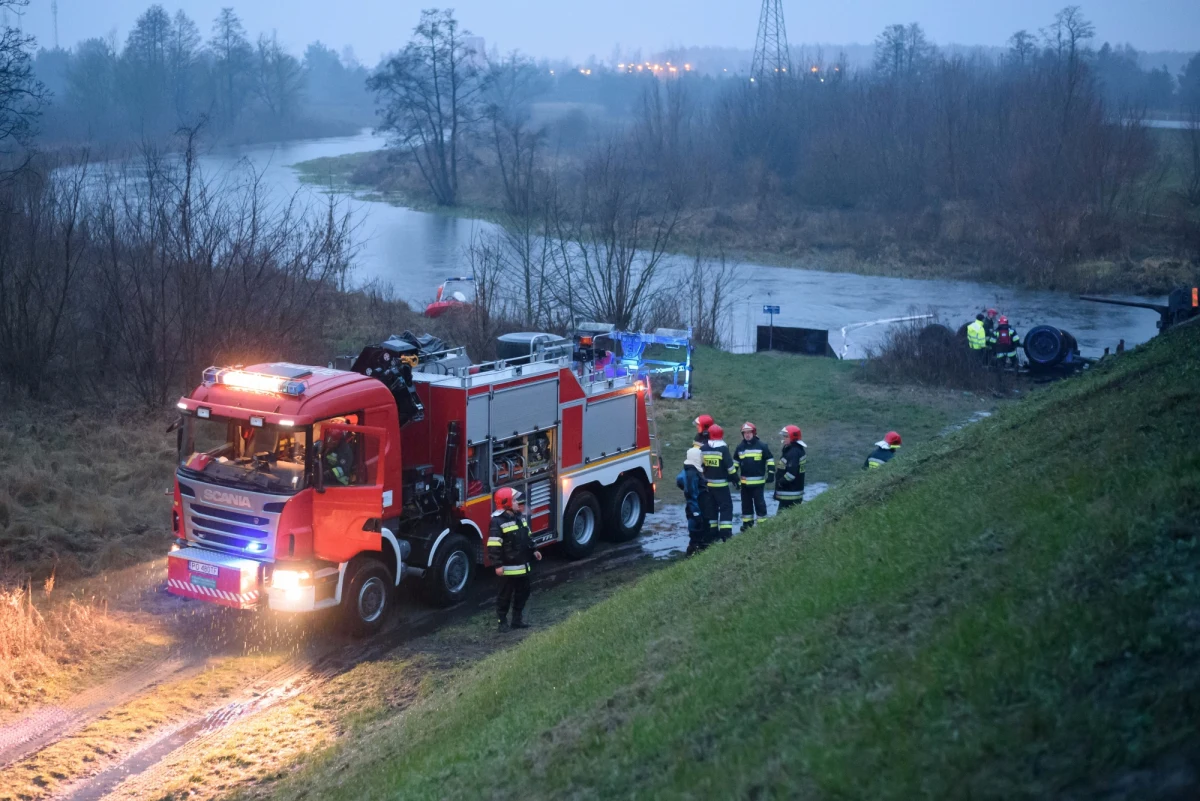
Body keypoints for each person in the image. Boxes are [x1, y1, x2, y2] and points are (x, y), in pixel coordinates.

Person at [487, 487, 542, 632]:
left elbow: (527, 535)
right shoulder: (497, 521)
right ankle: (502, 622)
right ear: (506, 503)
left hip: (522, 564)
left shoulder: (519, 517)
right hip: (508, 568)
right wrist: (497, 565)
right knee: (504, 596)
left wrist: (534, 549)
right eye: (515, 500)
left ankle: (517, 620)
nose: (518, 503)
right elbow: (494, 545)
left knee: (523, 592)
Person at [700, 423, 738, 541]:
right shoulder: (723, 449)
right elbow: (730, 468)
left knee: (711, 508)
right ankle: (725, 533)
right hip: (721, 485)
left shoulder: (703, 448)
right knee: (726, 507)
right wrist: (735, 479)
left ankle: (712, 532)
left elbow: (701, 466)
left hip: (707, 485)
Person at [734, 422, 774, 530]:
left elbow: (770, 460)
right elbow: (735, 463)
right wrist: (733, 477)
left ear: (754, 433)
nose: (747, 435)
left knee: (759, 504)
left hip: (758, 484)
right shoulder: (740, 447)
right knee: (746, 505)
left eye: (749, 432)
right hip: (744, 484)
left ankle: (763, 525)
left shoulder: (762, 446)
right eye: (745, 433)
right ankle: (747, 525)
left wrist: (771, 473)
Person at [677, 447, 713, 555]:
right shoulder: (692, 473)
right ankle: (694, 550)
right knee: (697, 529)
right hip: (697, 507)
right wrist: (696, 513)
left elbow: (680, 481)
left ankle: (698, 548)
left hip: (698, 506)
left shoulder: (691, 470)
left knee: (700, 528)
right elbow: (691, 494)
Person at [774, 425, 807, 510]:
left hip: (789, 494)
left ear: (793, 437)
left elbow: (791, 474)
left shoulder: (793, 452)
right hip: (793, 492)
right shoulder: (796, 449)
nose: (784, 438)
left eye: (786, 436)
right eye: (784, 436)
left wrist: (781, 482)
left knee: (781, 517)